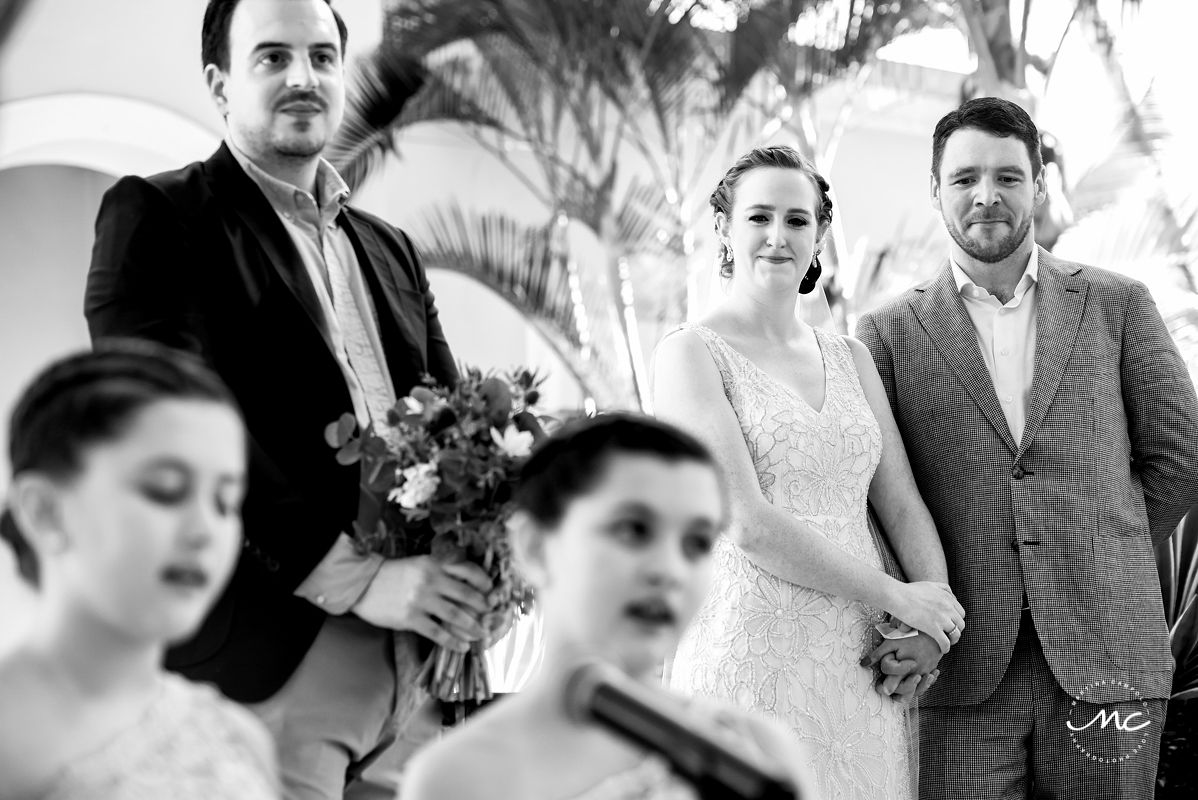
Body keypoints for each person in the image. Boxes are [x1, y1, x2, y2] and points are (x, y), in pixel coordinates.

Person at [84, 1, 498, 796]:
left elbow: (458, 427)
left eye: (320, 56)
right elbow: (171, 431)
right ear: (220, 84)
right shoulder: (160, 218)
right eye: (271, 58)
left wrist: (482, 567)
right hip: (271, 660)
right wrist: (364, 581)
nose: (302, 77)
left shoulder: (390, 249)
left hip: (420, 667)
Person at [856, 96, 1198, 799]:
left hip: (1108, 659)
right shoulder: (887, 333)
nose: (988, 195)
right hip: (960, 669)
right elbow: (880, 495)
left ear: (1039, 185)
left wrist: (1104, 546)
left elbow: (1182, 455)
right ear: (935, 191)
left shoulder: (1118, 304)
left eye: (1009, 177)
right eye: (965, 178)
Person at [652, 145, 963, 800]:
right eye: (758, 217)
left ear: (819, 234)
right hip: (748, 653)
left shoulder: (850, 355)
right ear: (725, 231)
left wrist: (931, 623)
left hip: (858, 663)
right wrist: (899, 597)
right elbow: (747, 523)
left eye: (797, 220)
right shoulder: (689, 355)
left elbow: (901, 501)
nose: (777, 236)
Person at [403, 414, 819, 800]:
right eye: (634, 530)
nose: (670, 571)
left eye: (697, 543)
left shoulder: (758, 754)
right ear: (535, 546)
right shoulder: (453, 778)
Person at [0, 340, 278, 799]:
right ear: (45, 512)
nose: (205, 531)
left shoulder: (242, 739)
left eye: (225, 503)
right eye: (164, 490)